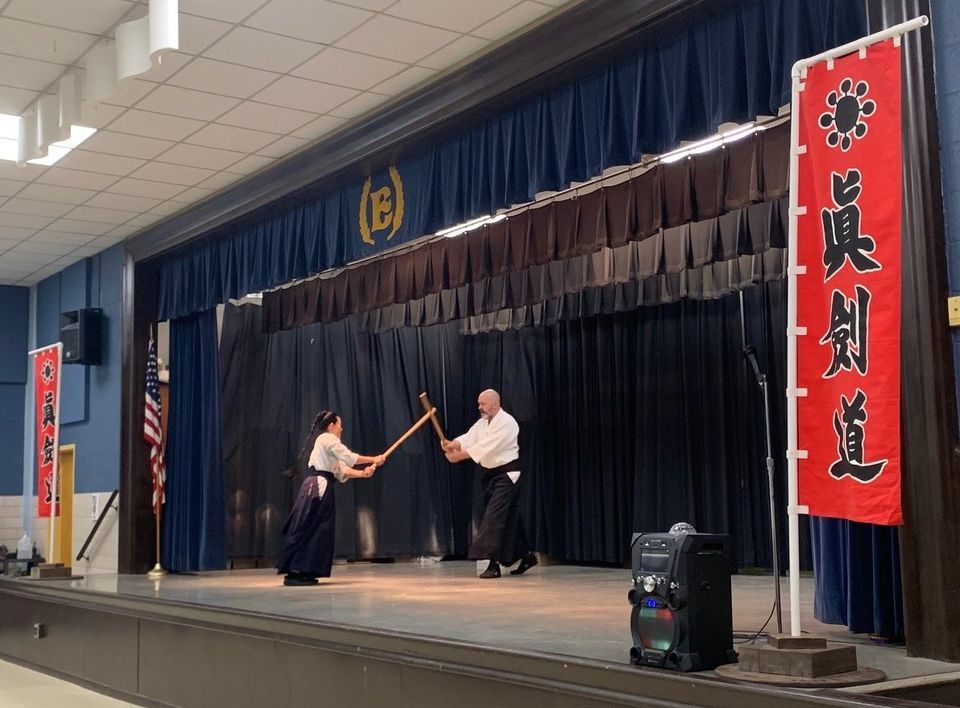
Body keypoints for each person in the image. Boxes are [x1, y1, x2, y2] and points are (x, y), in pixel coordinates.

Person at [277, 410, 384, 586]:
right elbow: (348, 457)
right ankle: (297, 570)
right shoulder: (327, 439)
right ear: (331, 425)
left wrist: (363, 473)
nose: (341, 430)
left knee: (319, 529)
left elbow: (341, 470)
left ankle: (305, 570)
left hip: (320, 487)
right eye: (340, 426)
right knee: (310, 527)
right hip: (317, 487)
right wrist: (374, 458)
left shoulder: (328, 446)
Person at [441, 389, 537, 579]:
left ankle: (493, 564)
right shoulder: (483, 422)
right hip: (491, 475)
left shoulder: (507, 423)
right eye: (479, 403)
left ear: (494, 404)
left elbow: (486, 447)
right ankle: (524, 555)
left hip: (508, 475)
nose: (479, 407)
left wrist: (458, 456)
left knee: (494, 518)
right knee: (507, 518)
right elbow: (470, 438)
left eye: (483, 404)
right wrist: (454, 444)